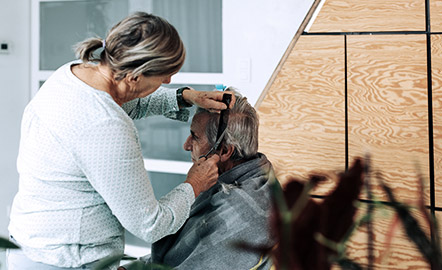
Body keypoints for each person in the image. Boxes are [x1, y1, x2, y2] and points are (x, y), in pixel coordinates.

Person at [8, 12, 233, 270]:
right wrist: (194, 183)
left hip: (30, 249)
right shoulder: (105, 126)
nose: (169, 81)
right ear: (134, 77)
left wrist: (185, 97)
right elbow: (150, 224)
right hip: (67, 261)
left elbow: (124, 100)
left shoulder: (73, 74)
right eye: (164, 76)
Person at [120, 89, 275, 270]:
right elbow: (179, 255)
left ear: (224, 151)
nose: (186, 145)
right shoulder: (231, 179)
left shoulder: (243, 213)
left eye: (194, 137)